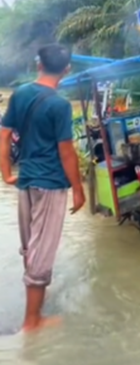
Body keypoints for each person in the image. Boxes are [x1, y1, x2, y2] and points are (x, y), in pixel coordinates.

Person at [0, 43, 85, 332]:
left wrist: (6, 173)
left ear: (38, 64)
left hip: (26, 181)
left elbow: (4, 135)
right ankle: (32, 321)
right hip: (50, 183)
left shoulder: (20, 93)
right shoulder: (59, 105)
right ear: (67, 69)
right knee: (42, 248)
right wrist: (78, 188)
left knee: (30, 245)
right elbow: (66, 152)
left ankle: (33, 307)